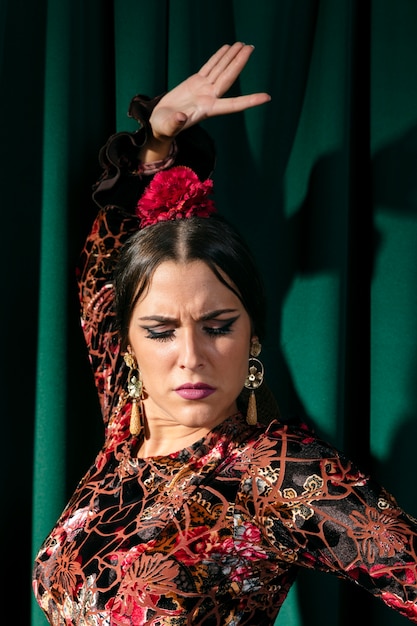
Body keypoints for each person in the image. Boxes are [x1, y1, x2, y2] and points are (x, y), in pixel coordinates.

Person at [32, 42, 417, 625]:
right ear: (128, 342)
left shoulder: (281, 471)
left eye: (218, 327)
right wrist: (158, 144)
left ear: (253, 338)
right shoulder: (127, 421)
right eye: (160, 331)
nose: (190, 357)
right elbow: (101, 266)